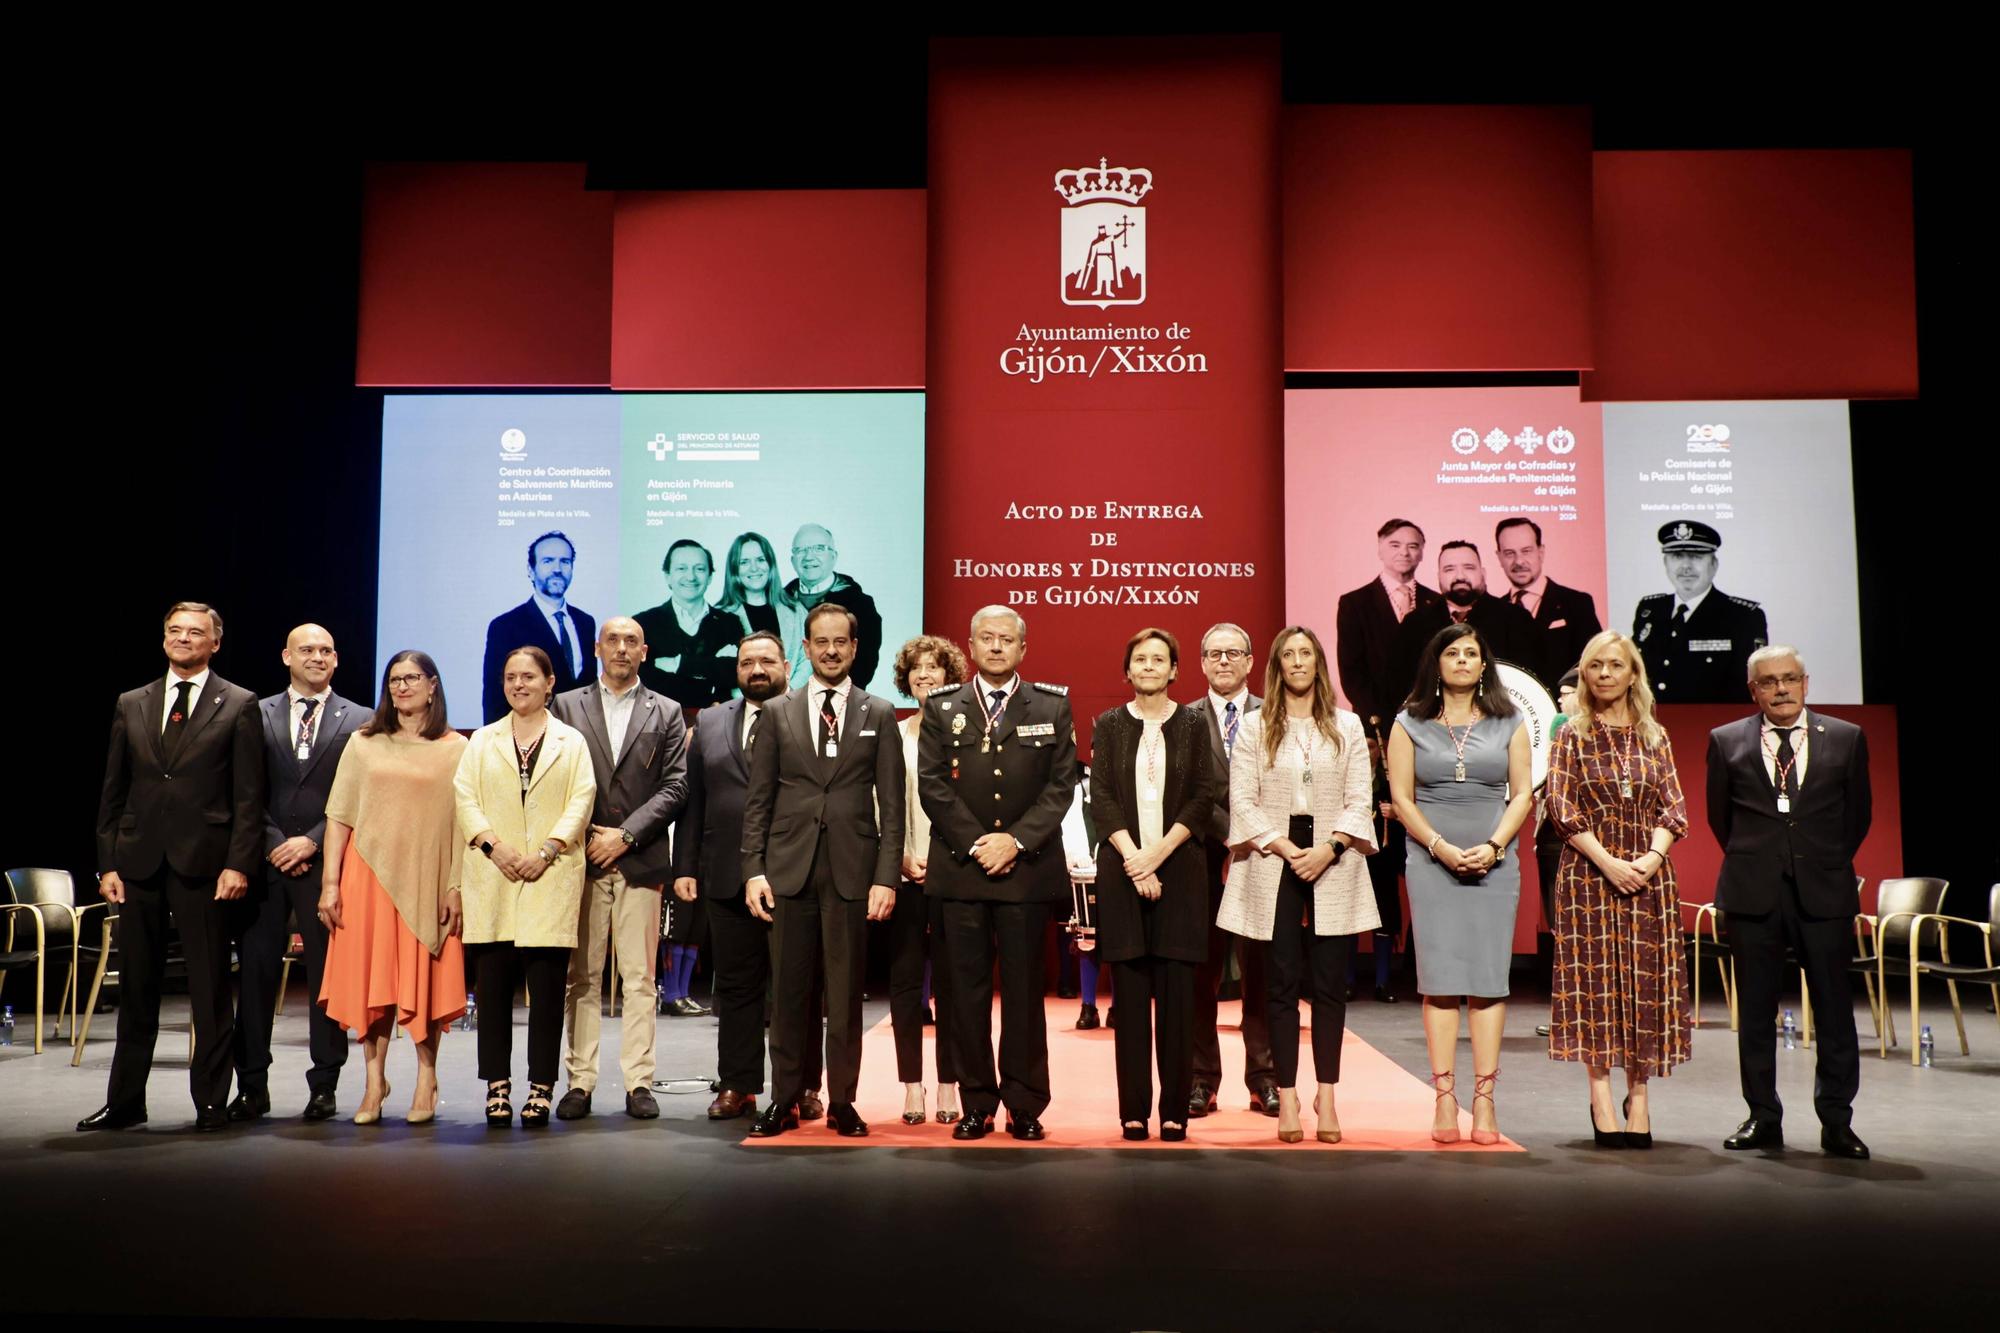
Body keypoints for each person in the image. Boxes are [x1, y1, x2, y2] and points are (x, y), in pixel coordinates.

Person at [81, 603, 264, 1133]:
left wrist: (238, 862)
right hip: (137, 863)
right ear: (164, 639)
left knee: (208, 991)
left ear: (215, 643)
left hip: (205, 865)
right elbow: (113, 791)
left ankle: (210, 1101)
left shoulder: (238, 704)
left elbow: (248, 797)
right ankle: (125, 1103)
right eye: (175, 631)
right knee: (136, 988)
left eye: (195, 632)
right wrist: (107, 863)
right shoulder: (131, 702)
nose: (184, 638)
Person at [741, 603, 905, 1138]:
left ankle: (843, 1103)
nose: (831, 650)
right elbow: (758, 802)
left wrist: (886, 877)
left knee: (844, 994)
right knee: (787, 995)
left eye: (841, 642)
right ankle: (784, 1098)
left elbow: (892, 805)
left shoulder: (878, 713)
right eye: (821, 641)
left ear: (855, 649)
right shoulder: (777, 713)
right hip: (788, 870)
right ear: (805, 649)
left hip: (853, 873)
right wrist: (753, 870)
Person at [919, 605, 1080, 1141]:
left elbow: (1061, 787)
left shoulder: (1052, 705)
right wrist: (977, 842)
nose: (995, 647)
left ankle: (1025, 1102)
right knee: (963, 996)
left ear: (1022, 649)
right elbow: (933, 785)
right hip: (962, 871)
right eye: (985, 638)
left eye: (1005, 640)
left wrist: (1014, 841)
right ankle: (977, 1103)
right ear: (969, 645)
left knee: (1024, 994)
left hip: (1026, 872)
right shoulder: (944, 707)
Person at [1706, 645, 1872, 1159]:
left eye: (1790, 679)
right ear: (1752, 689)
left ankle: (1837, 1122)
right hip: (1753, 892)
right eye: (1769, 681)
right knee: (1755, 1013)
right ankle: (1762, 1116)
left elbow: (1857, 816)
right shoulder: (1726, 740)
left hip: (1823, 892)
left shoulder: (1845, 738)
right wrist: (1763, 858)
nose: (1781, 689)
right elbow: (1720, 819)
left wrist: (1819, 861)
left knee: (1834, 1011)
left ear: (1806, 683)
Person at [1220, 627, 1378, 1144]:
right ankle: (1287, 1094)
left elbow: (1360, 798)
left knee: (1330, 985)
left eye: (1305, 653)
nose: (1297, 662)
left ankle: (1326, 1095)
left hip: (1332, 855)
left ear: (1318, 663)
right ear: (1276, 666)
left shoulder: (1348, 726)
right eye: (1287, 655)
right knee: (1279, 984)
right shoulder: (1253, 727)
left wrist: (1329, 848)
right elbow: (1241, 799)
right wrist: (1286, 848)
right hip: (1274, 857)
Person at [1544, 632, 1691, 1150]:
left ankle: (1641, 1095)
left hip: (1649, 879)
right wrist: (1609, 863)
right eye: (1594, 666)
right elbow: (1562, 808)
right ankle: (1601, 1093)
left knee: (1644, 987)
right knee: (1597, 984)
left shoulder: (1657, 737)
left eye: (1615, 665)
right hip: (1589, 875)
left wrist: (1649, 860)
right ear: (1584, 675)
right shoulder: (1570, 735)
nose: (1605, 673)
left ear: (1634, 674)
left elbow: (1674, 810)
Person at [1388, 623, 1533, 1145]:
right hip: (1431, 863)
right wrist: (1440, 848)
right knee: (1442, 978)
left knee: (1489, 980)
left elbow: (1521, 796)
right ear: (1437, 663)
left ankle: (1486, 1101)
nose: (1464, 660)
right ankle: (1445, 1099)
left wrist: (1493, 847)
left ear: (1484, 665)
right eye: (1453, 652)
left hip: (1496, 862)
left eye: (1472, 653)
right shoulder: (1409, 723)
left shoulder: (1510, 721)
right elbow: (1401, 799)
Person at [672, 632, 825, 1123]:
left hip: (793, 873)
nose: (756, 670)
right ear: (736, 670)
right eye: (746, 663)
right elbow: (694, 798)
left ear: (785, 664)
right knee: (735, 987)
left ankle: (801, 1086)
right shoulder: (712, 721)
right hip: (724, 874)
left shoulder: (808, 713)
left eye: (765, 661)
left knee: (797, 986)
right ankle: (738, 1085)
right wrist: (685, 865)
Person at [316, 651, 471, 1124]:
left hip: (428, 875)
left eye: (411, 678)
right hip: (367, 878)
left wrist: (456, 885)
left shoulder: (456, 748)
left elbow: (465, 825)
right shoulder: (364, 743)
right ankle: (373, 1082)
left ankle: (427, 1077)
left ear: (433, 685)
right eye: (394, 679)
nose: (401, 687)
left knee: (424, 980)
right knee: (372, 983)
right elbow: (339, 815)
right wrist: (330, 883)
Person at [550, 616, 689, 1120]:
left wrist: (626, 835)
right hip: (580, 859)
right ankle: (580, 1082)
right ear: (597, 648)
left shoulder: (667, 711)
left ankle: (638, 1083)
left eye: (632, 641)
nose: (623, 648)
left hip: (642, 859)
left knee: (639, 977)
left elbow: (676, 786)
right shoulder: (564, 705)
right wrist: (589, 837)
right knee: (581, 978)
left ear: (645, 651)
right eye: (614, 640)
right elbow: (553, 781)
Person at [229, 623, 367, 1123]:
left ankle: (324, 1084)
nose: (317, 656)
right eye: (306, 649)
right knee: (257, 978)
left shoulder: (362, 718)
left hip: (326, 863)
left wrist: (311, 838)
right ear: (286, 655)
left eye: (326, 650)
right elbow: (244, 790)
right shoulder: (254, 712)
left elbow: (358, 798)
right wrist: (273, 843)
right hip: (264, 865)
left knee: (326, 979)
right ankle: (251, 1087)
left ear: (337, 659)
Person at [455, 646, 597, 1127]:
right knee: (492, 989)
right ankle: (497, 1086)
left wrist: (547, 850)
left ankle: (541, 1086)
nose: (519, 685)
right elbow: (465, 799)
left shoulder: (571, 741)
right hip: (493, 873)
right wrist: (497, 848)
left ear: (549, 682)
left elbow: (582, 800)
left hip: (550, 873)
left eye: (529, 677)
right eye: (511, 677)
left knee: (547, 990)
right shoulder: (482, 740)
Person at [1089, 628, 1214, 1141]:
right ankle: (1134, 1110)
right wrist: (1135, 861)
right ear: (1128, 670)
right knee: (1131, 1003)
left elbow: (1202, 798)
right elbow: (1101, 798)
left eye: (1158, 659)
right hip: (1122, 873)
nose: (1148, 667)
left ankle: (1174, 1111)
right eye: (1139, 659)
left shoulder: (1193, 723)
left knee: (1180, 1003)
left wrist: (1157, 856)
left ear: (1174, 670)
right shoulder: (1110, 725)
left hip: (1180, 873)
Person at [1185, 621, 1277, 1118]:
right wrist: (1227, 834)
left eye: (1233, 653)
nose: (1223, 661)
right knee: (1200, 976)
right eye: (1214, 653)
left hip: (1262, 858)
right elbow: (1188, 793)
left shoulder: (1275, 715)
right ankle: (1201, 1080)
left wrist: (1250, 837)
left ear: (1249, 662)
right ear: (1201, 662)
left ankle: (1266, 1079)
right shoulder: (1182, 719)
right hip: (1201, 860)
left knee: (1262, 976)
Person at [890, 634, 967, 1125]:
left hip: (955, 874)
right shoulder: (892, 734)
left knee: (954, 986)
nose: (925, 675)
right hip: (902, 874)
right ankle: (911, 1088)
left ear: (949, 677)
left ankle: (948, 1085)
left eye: (934, 668)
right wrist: (897, 856)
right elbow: (878, 806)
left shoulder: (966, 734)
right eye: (917, 669)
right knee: (903, 986)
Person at [1633, 520, 1769, 703]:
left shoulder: (1743, 616)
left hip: (1714, 725)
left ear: (1714, 564)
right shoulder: (1650, 610)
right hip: (1653, 723)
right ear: (1665, 563)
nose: (1686, 566)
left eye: (1696, 556)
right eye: (1677, 556)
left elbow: (1752, 687)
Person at [1388, 541, 1539, 706]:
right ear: (1438, 576)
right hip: (1430, 725)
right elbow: (1397, 687)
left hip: (1500, 721)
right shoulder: (1414, 624)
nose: (1460, 576)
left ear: (1483, 573)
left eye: (1468, 567)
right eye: (1449, 569)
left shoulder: (1516, 619)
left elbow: (1531, 686)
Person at [1334, 518, 1439, 739]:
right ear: (1380, 549)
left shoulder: (1437, 603)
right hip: (1375, 726)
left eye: (1413, 546)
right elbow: (1352, 673)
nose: (1405, 552)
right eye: (1395, 545)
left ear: (1421, 553)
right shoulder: (1354, 603)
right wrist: (1379, 718)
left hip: (1431, 724)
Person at [482, 531, 597, 723]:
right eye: (548, 561)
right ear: (531, 570)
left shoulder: (586, 622)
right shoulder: (505, 626)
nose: (557, 569)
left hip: (580, 741)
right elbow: (494, 698)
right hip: (529, 737)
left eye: (565, 562)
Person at [634, 538, 743, 709]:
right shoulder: (643, 624)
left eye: (699, 569)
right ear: (667, 576)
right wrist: (712, 670)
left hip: (716, 721)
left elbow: (737, 673)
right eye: (681, 568)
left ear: (710, 577)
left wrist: (678, 664)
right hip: (659, 723)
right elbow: (643, 681)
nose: (691, 576)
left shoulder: (729, 623)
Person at [1494, 516, 1602, 689]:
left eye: (1526, 551)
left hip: (1565, 710)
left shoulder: (1577, 604)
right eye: (1509, 553)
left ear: (1541, 552)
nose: (1519, 561)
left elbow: (1594, 661)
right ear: (1499, 557)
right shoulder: (1494, 612)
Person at [785, 525, 885, 689]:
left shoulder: (860, 605)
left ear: (833, 556)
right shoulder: (779, 602)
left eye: (818, 548)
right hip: (786, 705)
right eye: (801, 550)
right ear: (792, 560)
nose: (809, 557)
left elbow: (864, 664)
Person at [716, 530, 810, 688]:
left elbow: (807, 659)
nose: (754, 568)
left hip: (791, 703)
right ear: (734, 570)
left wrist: (788, 695)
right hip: (742, 706)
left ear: (770, 564)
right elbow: (720, 671)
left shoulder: (795, 610)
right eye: (744, 562)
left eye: (760, 559)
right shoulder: (719, 616)